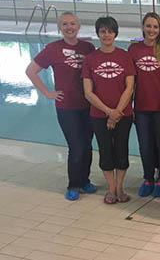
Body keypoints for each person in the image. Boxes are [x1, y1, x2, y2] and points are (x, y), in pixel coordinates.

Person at [25, 12, 96, 201]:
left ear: (79, 26)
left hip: (88, 105)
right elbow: (31, 71)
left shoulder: (88, 47)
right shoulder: (52, 49)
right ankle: (73, 184)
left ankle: (85, 180)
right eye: (65, 24)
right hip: (67, 107)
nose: (69, 27)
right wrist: (47, 93)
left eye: (72, 23)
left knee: (87, 145)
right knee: (76, 146)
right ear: (60, 28)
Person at [82, 16, 136, 204]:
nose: (106, 34)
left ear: (115, 33)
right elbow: (88, 92)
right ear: (98, 33)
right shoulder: (90, 59)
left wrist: (117, 112)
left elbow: (130, 87)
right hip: (98, 115)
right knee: (105, 151)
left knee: (121, 151)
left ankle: (121, 187)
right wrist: (108, 112)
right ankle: (111, 189)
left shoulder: (125, 56)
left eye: (110, 31)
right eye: (103, 31)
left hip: (124, 114)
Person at [128, 12, 160, 198]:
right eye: (148, 26)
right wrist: (128, 105)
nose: (151, 30)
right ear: (143, 27)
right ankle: (148, 178)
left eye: (155, 26)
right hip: (141, 107)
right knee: (145, 145)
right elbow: (129, 81)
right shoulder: (134, 49)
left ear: (159, 29)